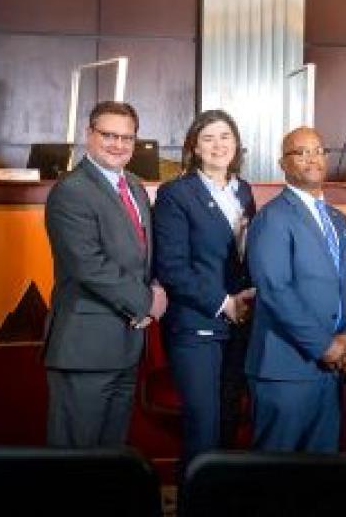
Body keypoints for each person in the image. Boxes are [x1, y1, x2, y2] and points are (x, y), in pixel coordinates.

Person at [44, 100, 167, 447]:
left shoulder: (135, 186)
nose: (118, 144)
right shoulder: (72, 190)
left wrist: (154, 289)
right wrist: (145, 303)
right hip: (85, 345)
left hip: (126, 342)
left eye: (127, 138)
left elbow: (144, 254)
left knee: (110, 457)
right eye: (108, 135)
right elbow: (88, 264)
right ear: (89, 136)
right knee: (76, 457)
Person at [152, 109, 256, 473]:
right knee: (204, 427)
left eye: (225, 136)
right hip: (195, 326)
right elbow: (172, 267)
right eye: (208, 138)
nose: (218, 145)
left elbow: (244, 257)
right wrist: (223, 302)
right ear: (194, 147)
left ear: (236, 144)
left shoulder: (243, 191)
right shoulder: (176, 194)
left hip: (238, 326)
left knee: (228, 422)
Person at [244, 126, 346, 452]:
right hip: (285, 369)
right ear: (283, 163)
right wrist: (323, 344)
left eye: (318, 150)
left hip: (329, 370)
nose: (312, 158)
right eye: (301, 152)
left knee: (318, 480)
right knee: (277, 479)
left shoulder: (337, 219)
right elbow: (275, 289)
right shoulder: (273, 218)